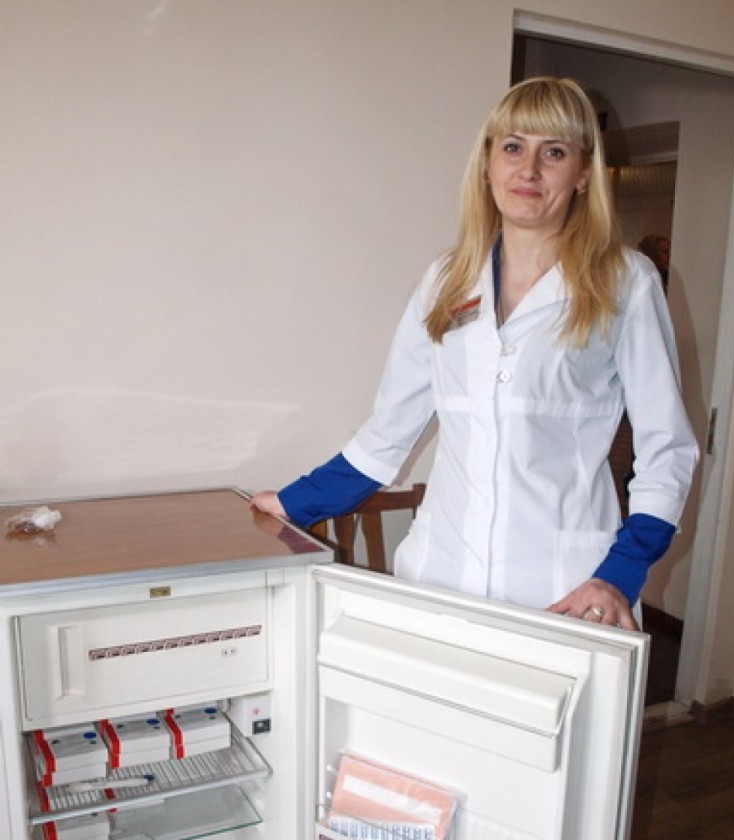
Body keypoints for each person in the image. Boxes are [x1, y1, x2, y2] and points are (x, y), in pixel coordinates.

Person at [251, 77, 698, 631]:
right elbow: (389, 431)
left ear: (583, 173)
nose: (528, 170)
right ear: (488, 164)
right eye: (512, 147)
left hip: (564, 590)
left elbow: (667, 449)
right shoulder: (447, 278)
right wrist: (294, 503)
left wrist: (621, 572)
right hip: (440, 576)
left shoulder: (625, 281)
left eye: (553, 152)